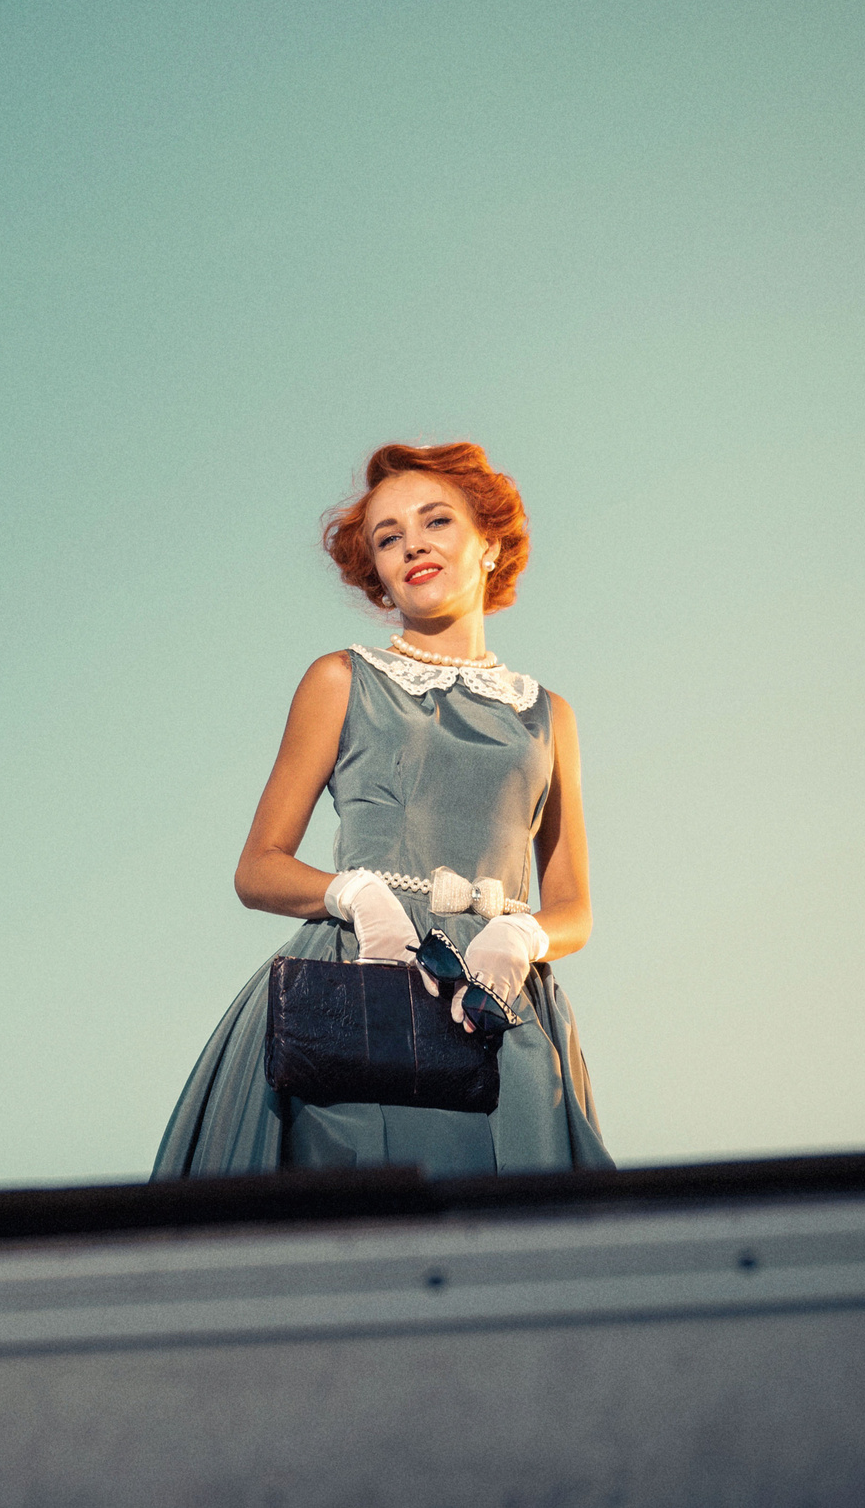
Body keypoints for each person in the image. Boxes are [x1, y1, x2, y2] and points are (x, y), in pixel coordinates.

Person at [154, 440, 610, 1179]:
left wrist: (521, 935)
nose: (413, 545)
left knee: (519, 1219)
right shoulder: (341, 679)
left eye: (437, 521)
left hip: (501, 1003)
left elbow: (575, 908)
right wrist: (357, 895)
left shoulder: (549, 715)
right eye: (388, 537)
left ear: (490, 543)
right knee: (362, 1213)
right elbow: (257, 868)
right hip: (363, 980)